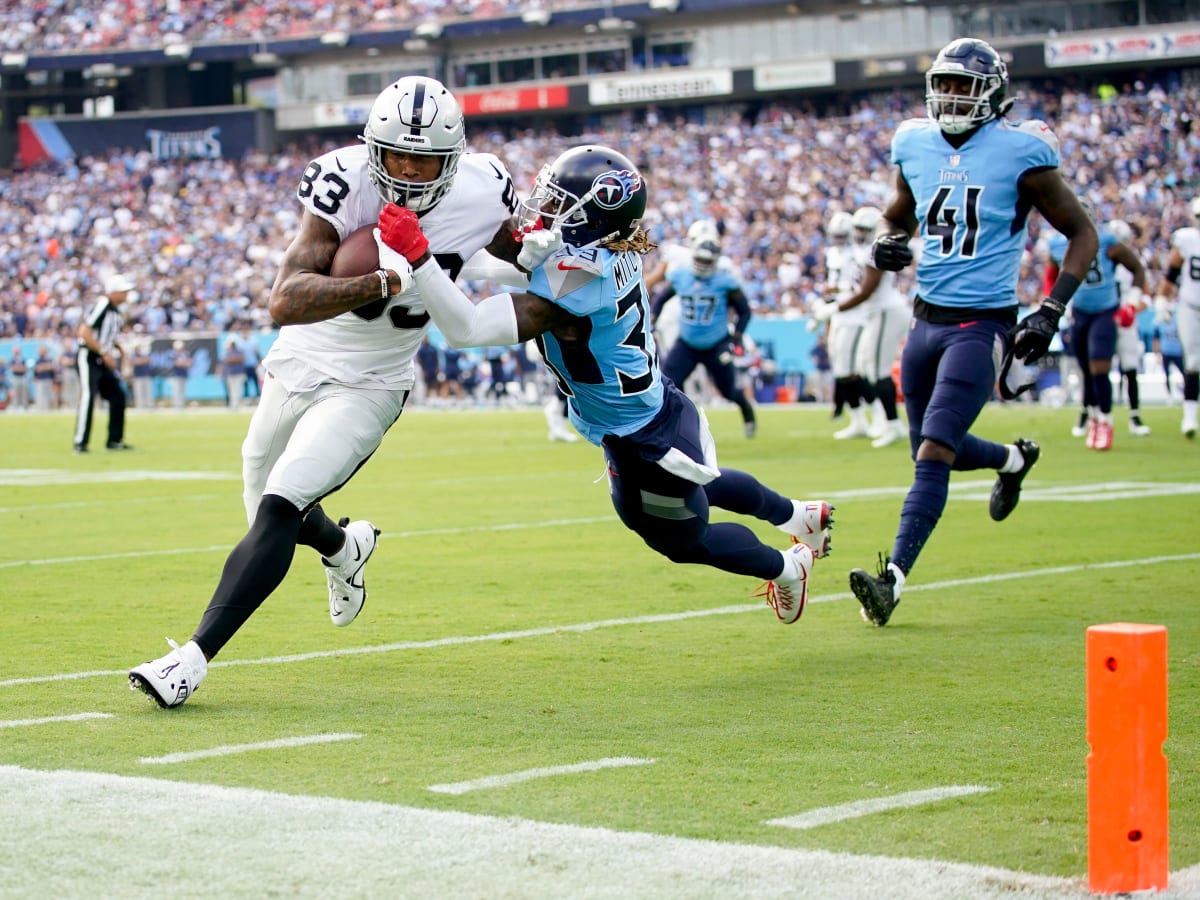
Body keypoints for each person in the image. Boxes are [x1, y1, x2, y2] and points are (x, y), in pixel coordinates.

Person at [129, 75, 556, 708]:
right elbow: (285, 298)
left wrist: (540, 251)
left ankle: (190, 660)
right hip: (298, 361)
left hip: (373, 382)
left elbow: (507, 249)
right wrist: (384, 281)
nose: (408, 171)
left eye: (425, 158)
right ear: (372, 147)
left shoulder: (484, 186)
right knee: (269, 507)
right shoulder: (341, 179)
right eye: (396, 155)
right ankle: (344, 546)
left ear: (455, 157)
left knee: (279, 504)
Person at [374, 143, 834, 627]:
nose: (544, 206)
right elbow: (510, 264)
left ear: (591, 217)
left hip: (641, 437)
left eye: (558, 202)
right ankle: (799, 514)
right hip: (651, 407)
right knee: (697, 491)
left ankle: (789, 568)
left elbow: (465, 329)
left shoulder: (576, 281)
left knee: (680, 538)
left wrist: (421, 257)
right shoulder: (607, 247)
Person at [846, 38, 1098, 627]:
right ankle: (1013, 460)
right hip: (925, 319)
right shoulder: (912, 142)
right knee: (929, 449)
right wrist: (889, 239)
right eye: (947, 84)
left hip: (982, 323)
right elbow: (899, 211)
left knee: (934, 450)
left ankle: (892, 582)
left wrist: (1051, 310)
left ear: (993, 93)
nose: (954, 95)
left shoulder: (1021, 151)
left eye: (966, 85)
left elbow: (1081, 232)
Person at [1044, 207, 1147, 449]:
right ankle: (1093, 418)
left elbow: (1137, 268)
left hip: (1105, 309)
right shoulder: (1057, 244)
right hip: (1079, 311)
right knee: (1085, 369)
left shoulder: (1107, 241)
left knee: (1099, 365)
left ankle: (1106, 421)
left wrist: (1131, 303)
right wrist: (1053, 301)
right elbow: (1051, 274)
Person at [811, 205, 910, 448]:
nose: (860, 233)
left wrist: (834, 309)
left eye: (865, 229)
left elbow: (866, 291)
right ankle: (882, 422)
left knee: (877, 370)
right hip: (876, 312)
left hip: (885, 310)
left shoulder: (875, 249)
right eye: (857, 228)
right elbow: (857, 287)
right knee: (866, 368)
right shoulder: (858, 252)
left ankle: (893, 424)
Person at [649, 230, 758, 438]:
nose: (702, 264)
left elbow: (745, 311)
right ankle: (679, 425)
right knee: (668, 384)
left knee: (728, 391)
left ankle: (748, 415)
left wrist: (736, 337)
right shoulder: (680, 275)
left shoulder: (725, 281)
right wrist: (653, 318)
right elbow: (661, 299)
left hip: (716, 342)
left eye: (706, 261)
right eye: (699, 259)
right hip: (687, 342)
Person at [817, 210, 876, 437]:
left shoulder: (858, 254)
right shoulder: (833, 253)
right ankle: (859, 419)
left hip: (853, 313)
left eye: (843, 235)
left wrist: (837, 291)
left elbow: (857, 286)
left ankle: (877, 415)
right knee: (842, 369)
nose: (839, 240)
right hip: (838, 312)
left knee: (850, 370)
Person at [73, 274, 134, 452]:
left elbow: (107, 336)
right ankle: (80, 442)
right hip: (89, 357)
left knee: (118, 396)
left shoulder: (116, 311)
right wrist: (103, 352)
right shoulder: (103, 305)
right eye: (123, 291)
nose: (126, 295)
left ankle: (114, 440)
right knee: (88, 396)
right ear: (113, 291)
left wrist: (119, 350)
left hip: (102, 358)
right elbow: (85, 332)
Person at [1156, 196, 1200, 438]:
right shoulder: (1187, 239)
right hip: (1190, 306)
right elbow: (1172, 272)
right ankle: (1190, 417)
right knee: (1192, 362)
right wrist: (1162, 298)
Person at [1106, 219, 1152, 436]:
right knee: (1098, 367)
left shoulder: (1132, 264)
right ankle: (1092, 416)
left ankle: (1134, 415)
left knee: (1130, 366)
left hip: (1125, 318)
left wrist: (1132, 308)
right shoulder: (1100, 258)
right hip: (1103, 316)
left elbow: (1146, 296)